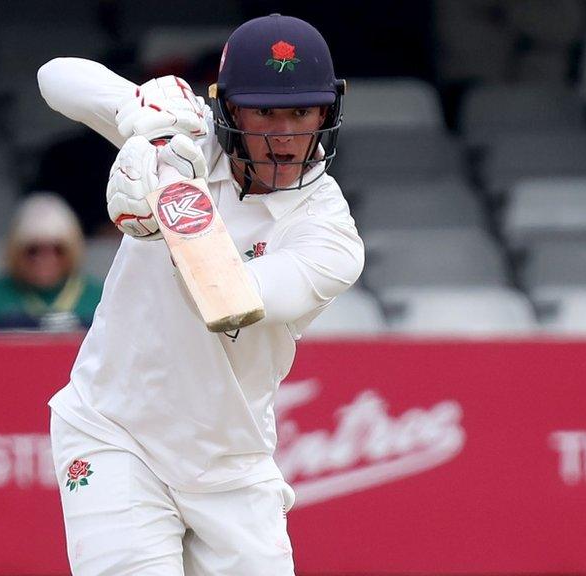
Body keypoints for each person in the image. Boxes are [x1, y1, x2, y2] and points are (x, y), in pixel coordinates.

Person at [38, 14, 363, 576]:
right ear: (229, 110)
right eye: (264, 111)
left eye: (301, 112)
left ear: (326, 113)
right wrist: (140, 115)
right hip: (115, 432)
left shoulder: (330, 234)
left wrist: (166, 206)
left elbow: (230, 301)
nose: (283, 134)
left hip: (230, 462)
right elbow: (54, 76)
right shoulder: (184, 141)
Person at [0, 193, 103, 332]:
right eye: (33, 250)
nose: (46, 259)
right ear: (16, 251)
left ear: (72, 251)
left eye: (57, 249)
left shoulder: (97, 295)